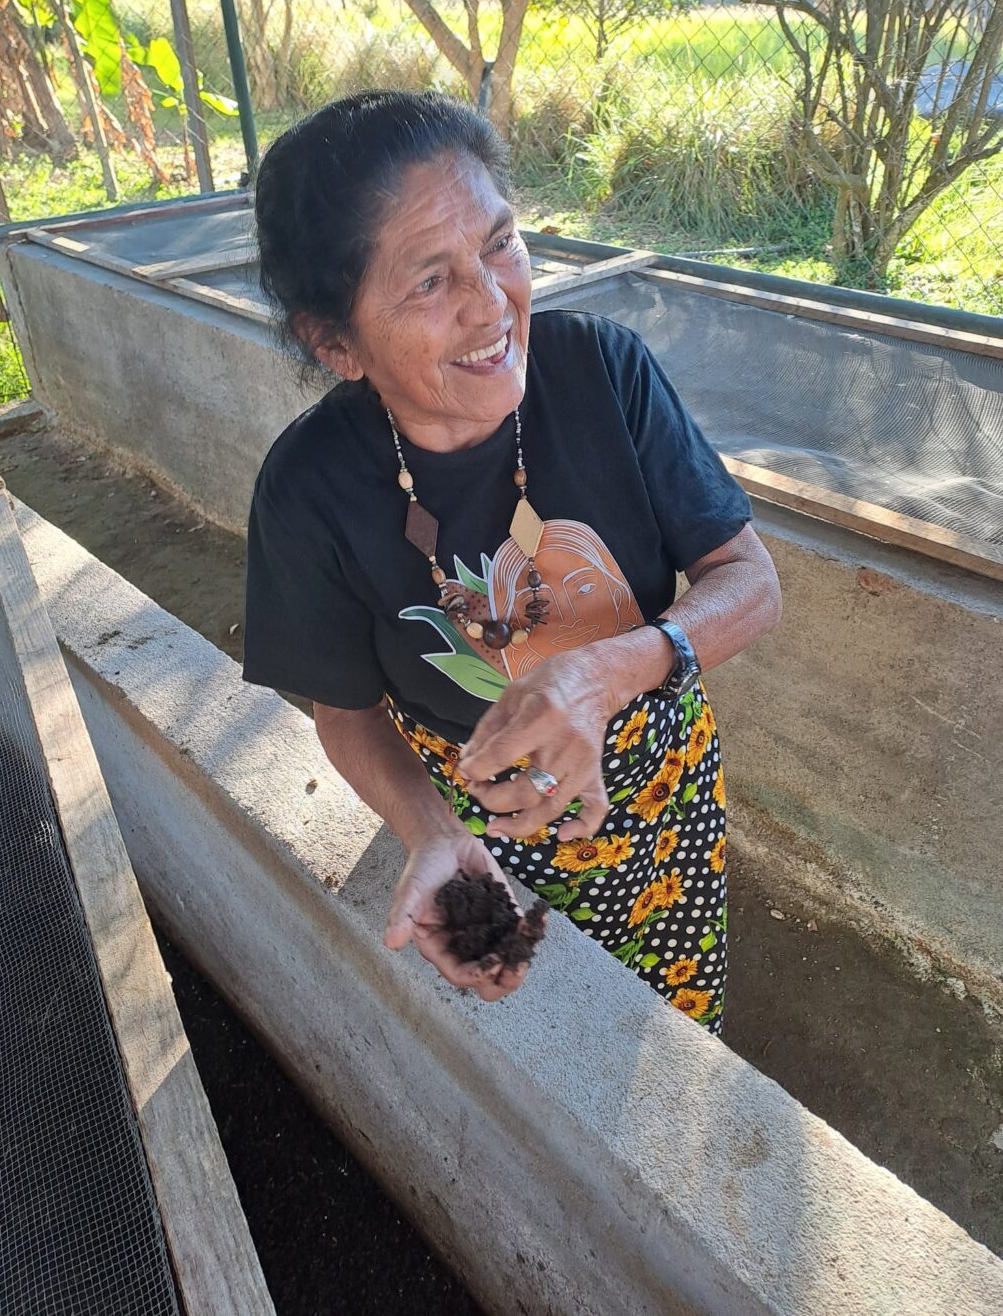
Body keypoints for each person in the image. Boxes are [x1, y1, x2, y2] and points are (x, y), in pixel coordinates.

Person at [244, 90, 782, 1035]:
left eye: (500, 242)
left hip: (665, 790)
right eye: (429, 283)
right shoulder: (309, 489)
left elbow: (751, 582)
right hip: (490, 824)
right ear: (335, 344)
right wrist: (433, 834)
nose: (496, 302)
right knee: (539, 1031)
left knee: (673, 1032)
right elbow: (346, 710)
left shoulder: (603, 372)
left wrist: (606, 671)